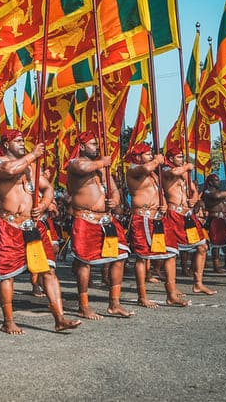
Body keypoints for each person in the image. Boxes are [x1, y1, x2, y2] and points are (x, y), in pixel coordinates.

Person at [0, 130, 81, 334]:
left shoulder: (31, 167)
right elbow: (10, 170)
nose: (23, 144)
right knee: (6, 276)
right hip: (10, 226)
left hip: (33, 226)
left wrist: (45, 203)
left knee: (48, 271)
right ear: (6, 144)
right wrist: (33, 155)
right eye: (18, 141)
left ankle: (59, 318)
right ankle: (8, 321)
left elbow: (47, 188)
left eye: (24, 141)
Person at [66, 131, 133, 319]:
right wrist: (103, 162)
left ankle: (114, 303)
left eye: (97, 144)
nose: (96, 147)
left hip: (106, 220)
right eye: (92, 144)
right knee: (84, 262)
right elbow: (81, 167)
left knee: (120, 256)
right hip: (85, 220)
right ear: (81, 146)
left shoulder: (102, 168)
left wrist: (115, 200)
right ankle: (84, 305)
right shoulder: (75, 163)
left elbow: (114, 189)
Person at [125, 143, 187, 308]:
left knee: (171, 253)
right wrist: (158, 160)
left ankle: (171, 294)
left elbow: (159, 191)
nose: (151, 156)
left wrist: (164, 203)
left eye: (152, 154)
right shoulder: (133, 169)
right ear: (138, 156)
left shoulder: (153, 173)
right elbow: (145, 168)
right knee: (142, 256)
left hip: (159, 218)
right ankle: (142, 296)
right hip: (142, 218)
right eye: (147, 154)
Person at [161, 146, 215, 295]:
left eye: (182, 157)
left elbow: (194, 190)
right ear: (171, 159)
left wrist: (194, 198)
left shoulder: (184, 172)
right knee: (171, 252)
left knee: (202, 246)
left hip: (188, 215)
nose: (182, 159)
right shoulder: (166, 169)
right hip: (173, 214)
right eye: (179, 157)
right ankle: (172, 287)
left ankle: (198, 283)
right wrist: (187, 166)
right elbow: (174, 172)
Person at [201, 174, 226, 273]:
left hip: (225, 219)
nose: (218, 182)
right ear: (211, 182)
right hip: (214, 219)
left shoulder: (221, 192)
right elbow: (216, 196)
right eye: (216, 180)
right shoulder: (208, 192)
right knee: (216, 243)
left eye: (218, 180)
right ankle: (216, 266)